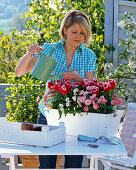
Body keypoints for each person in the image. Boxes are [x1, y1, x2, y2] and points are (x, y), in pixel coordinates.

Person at [15, 10, 96, 169]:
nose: (78, 37)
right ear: (65, 30)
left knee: (73, 166)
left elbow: (91, 89)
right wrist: (29, 53)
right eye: (74, 32)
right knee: (46, 166)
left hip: (76, 117)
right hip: (48, 115)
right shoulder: (50, 50)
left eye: (82, 33)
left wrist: (78, 79)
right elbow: (19, 72)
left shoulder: (89, 55)